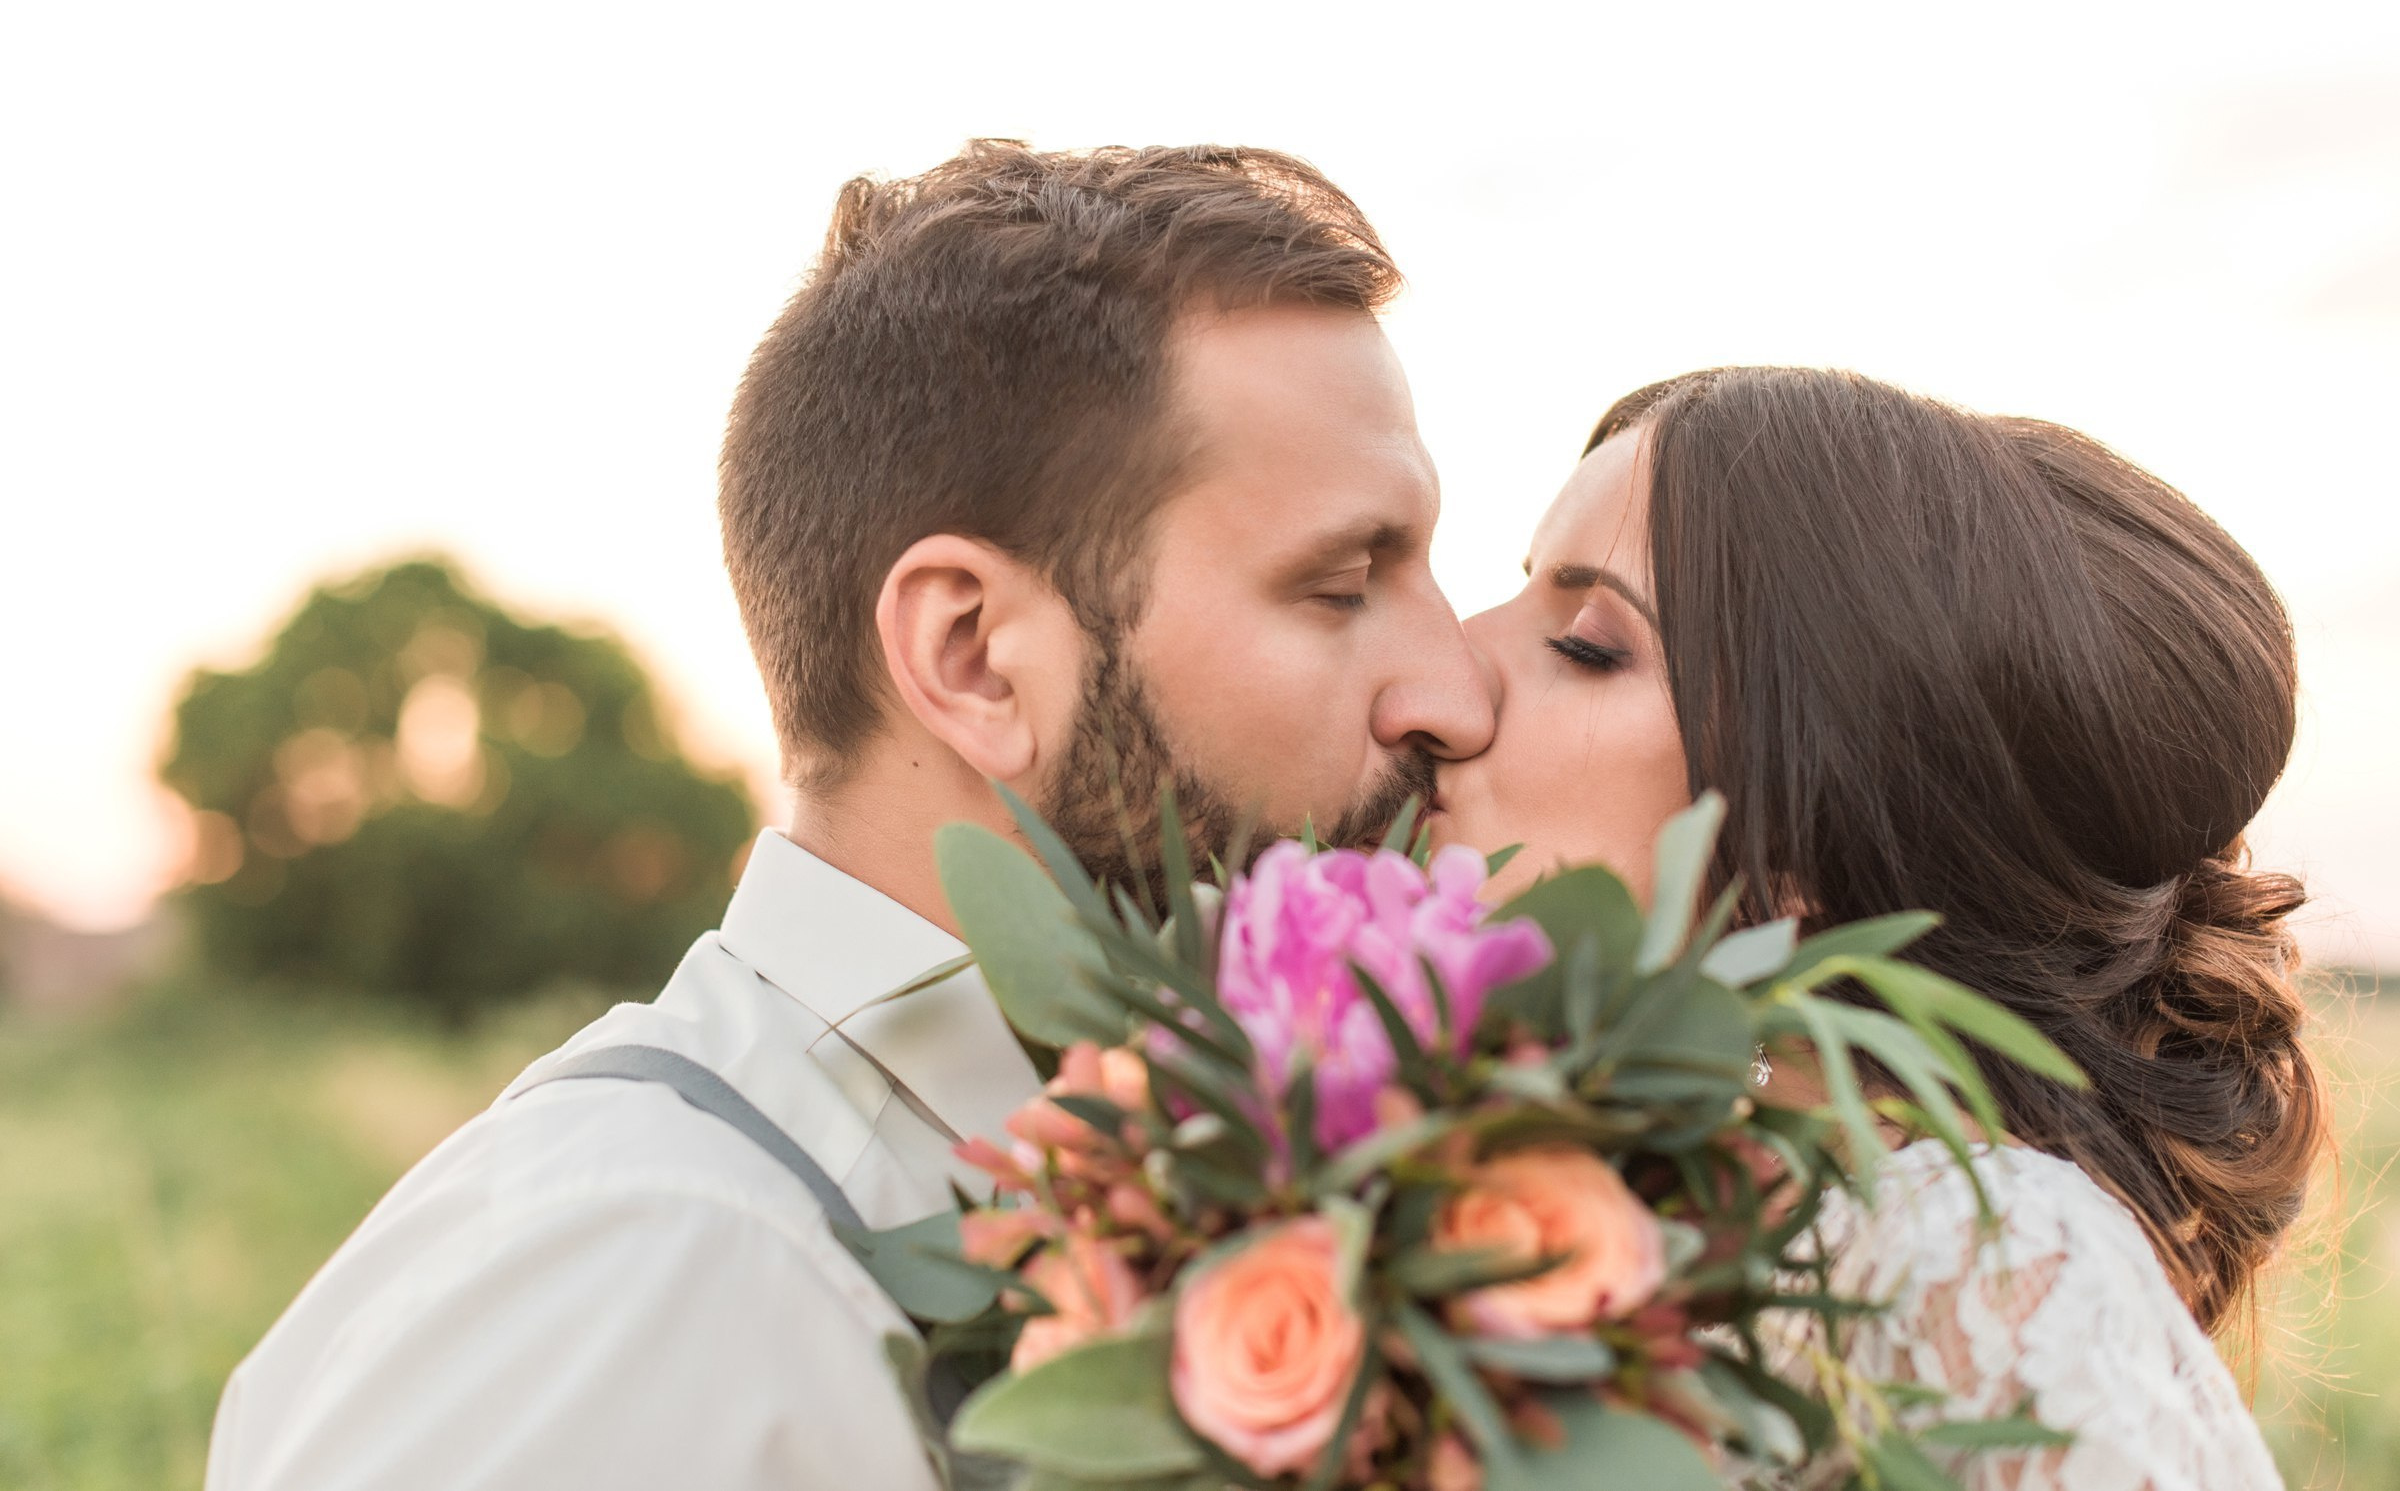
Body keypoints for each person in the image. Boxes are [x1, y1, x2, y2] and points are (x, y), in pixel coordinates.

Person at [204, 142, 1495, 1490]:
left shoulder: (1094, 1192)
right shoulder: (644, 1287)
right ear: (974, 656)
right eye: (1343, 582)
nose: (1454, 691)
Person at [1431, 367, 2325, 1490]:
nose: (1443, 669)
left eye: (1588, 645)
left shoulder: (1977, 1253)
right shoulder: (1613, 1211)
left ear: (1806, 834)